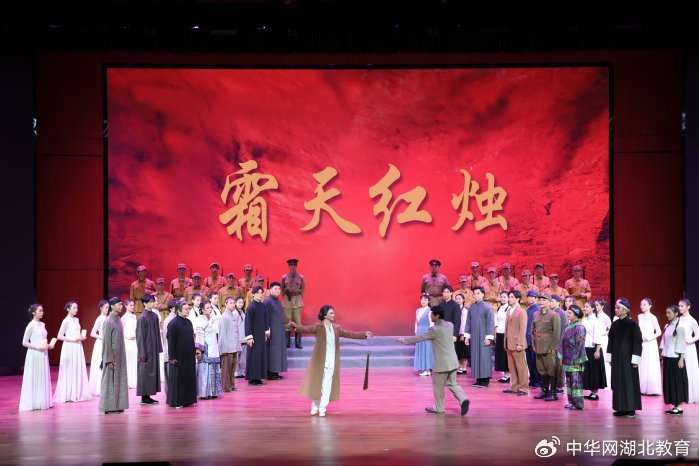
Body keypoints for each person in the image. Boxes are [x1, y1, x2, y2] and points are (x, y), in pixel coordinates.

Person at [292, 305, 373, 416]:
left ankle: (322, 408)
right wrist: (295, 326)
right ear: (325, 315)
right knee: (318, 386)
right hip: (320, 362)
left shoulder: (336, 328)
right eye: (331, 313)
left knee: (327, 386)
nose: (333, 315)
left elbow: (350, 334)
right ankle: (315, 406)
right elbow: (306, 329)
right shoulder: (318, 327)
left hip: (331, 362)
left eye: (333, 313)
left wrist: (364, 334)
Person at [399, 305, 469, 416]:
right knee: (452, 383)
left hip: (442, 363)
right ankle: (463, 399)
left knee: (438, 386)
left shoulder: (434, 330)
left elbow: (419, 338)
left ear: (437, 316)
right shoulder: (450, 325)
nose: (430, 316)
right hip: (453, 361)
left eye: (431, 314)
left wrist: (404, 340)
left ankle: (439, 408)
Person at [606, 297, 643, 417]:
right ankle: (620, 407)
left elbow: (637, 342)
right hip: (617, 358)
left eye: (618, 308)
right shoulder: (614, 324)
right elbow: (610, 341)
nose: (615, 309)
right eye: (615, 307)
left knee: (628, 382)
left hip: (628, 359)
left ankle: (631, 408)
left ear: (625, 310)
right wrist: (610, 356)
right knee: (618, 382)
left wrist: (635, 359)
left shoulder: (632, 324)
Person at [54, 301, 92, 402]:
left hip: (77, 346)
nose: (76, 309)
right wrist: (72, 339)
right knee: (70, 368)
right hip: (69, 346)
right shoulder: (66, 321)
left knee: (77, 368)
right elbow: (59, 336)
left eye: (77, 308)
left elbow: (76, 333)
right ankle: (69, 393)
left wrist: (81, 337)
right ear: (68, 309)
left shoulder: (76, 319)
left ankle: (78, 392)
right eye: (74, 308)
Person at [19, 304, 55, 411]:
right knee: (35, 376)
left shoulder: (42, 324)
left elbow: (42, 339)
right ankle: (34, 402)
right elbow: (24, 342)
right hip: (34, 353)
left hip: (43, 353)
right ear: (33, 312)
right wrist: (37, 347)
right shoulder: (31, 325)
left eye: (42, 310)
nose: (42, 312)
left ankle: (42, 401)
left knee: (42, 376)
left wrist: (48, 345)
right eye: (40, 310)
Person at [99, 297, 129, 414]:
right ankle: (108, 407)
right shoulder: (108, 321)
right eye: (119, 304)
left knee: (120, 380)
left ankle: (118, 405)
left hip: (120, 356)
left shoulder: (118, 319)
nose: (121, 306)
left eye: (121, 304)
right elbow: (106, 342)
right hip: (111, 357)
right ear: (112, 306)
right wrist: (109, 360)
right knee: (109, 382)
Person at [166, 301, 197, 408]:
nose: (188, 311)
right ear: (179, 310)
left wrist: (194, 352)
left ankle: (188, 400)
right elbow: (171, 341)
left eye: (189, 309)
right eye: (186, 309)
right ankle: (177, 401)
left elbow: (192, 339)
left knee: (189, 377)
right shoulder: (173, 324)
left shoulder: (189, 322)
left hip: (189, 355)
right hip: (178, 356)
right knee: (178, 378)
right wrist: (172, 357)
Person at [531, 294, 561, 401]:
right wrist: (534, 344)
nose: (541, 302)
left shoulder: (554, 315)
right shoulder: (535, 314)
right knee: (541, 370)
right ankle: (544, 391)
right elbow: (532, 331)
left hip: (549, 348)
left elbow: (557, 333)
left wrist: (554, 347)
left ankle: (553, 393)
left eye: (543, 300)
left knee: (551, 369)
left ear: (549, 302)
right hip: (539, 346)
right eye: (539, 300)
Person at [660, 305, 688, 414]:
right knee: (670, 382)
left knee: (677, 382)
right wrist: (662, 356)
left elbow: (681, 343)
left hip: (675, 358)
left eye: (669, 313)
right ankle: (674, 405)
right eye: (666, 312)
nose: (667, 315)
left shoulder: (680, 327)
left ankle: (679, 407)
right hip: (667, 357)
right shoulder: (667, 326)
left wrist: (681, 358)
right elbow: (664, 342)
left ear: (676, 314)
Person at [464, 287, 494, 388]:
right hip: (474, 336)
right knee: (475, 356)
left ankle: (485, 380)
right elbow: (468, 322)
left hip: (483, 336)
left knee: (484, 357)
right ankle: (478, 379)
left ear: (483, 294)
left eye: (478, 293)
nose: (475, 295)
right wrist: (467, 336)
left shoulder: (487, 307)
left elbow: (490, 323)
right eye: (474, 293)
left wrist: (488, 337)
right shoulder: (472, 307)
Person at [560, 304, 587, 410]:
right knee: (569, 382)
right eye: (567, 312)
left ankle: (578, 403)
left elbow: (580, 345)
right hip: (567, 358)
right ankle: (571, 402)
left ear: (576, 315)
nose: (567, 314)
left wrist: (578, 360)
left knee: (576, 382)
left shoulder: (579, 327)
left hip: (575, 359)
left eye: (570, 313)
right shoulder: (568, 326)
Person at [136, 294, 162, 405]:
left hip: (154, 348)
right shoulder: (142, 318)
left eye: (153, 301)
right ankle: (144, 397)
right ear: (144, 303)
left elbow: (157, 333)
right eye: (150, 302)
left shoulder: (155, 316)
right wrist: (142, 353)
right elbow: (140, 337)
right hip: (146, 349)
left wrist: (159, 347)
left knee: (152, 372)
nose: (152, 303)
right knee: (145, 372)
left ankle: (149, 396)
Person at [195, 301, 223, 399]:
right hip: (206, 348)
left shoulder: (212, 319)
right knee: (205, 370)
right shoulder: (200, 320)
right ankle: (204, 393)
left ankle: (213, 392)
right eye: (207, 308)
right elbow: (199, 336)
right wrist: (198, 350)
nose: (210, 309)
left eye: (211, 307)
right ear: (202, 310)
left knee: (214, 369)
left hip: (214, 347)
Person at [503, 291, 529, 396]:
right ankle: (514, 387)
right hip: (509, 342)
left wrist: (520, 343)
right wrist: (505, 341)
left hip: (517, 343)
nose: (509, 299)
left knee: (521, 367)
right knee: (512, 367)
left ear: (517, 299)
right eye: (509, 297)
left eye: (512, 297)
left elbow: (523, 329)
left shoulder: (521, 311)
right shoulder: (509, 310)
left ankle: (523, 388)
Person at [581, 301, 607, 400]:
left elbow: (598, 336)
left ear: (593, 308)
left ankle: (595, 393)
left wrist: (597, 350)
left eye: (587, 306)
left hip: (593, 348)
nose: (585, 308)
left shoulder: (596, 321)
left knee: (594, 370)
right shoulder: (584, 320)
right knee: (588, 371)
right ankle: (591, 392)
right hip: (585, 347)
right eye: (584, 306)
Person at [219, 296, 245, 392]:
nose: (233, 305)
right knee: (226, 368)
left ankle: (232, 385)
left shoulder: (233, 315)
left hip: (234, 346)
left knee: (232, 368)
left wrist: (238, 346)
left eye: (234, 303)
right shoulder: (223, 317)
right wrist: (223, 349)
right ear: (225, 304)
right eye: (230, 303)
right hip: (227, 347)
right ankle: (226, 387)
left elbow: (236, 332)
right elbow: (222, 334)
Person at [637, 298, 662, 395]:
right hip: (642, 342)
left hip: (650, 343)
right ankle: (642, 388)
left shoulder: (653, 317)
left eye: (644, 304)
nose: (642, 306)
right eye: (641, 304)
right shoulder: (639, 316)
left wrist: (649, 338)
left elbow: (659, 332)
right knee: (642, 364)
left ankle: (652, 388)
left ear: (650, 306)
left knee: (650, 364)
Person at [245, 286, 269, 386]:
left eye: (261, 293)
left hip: (261, 336)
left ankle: (258, 377)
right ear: (253, 294)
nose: (259, 295)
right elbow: (248, 323)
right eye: (257, 293)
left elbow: (266, 320)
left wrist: (266, 332)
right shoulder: (251, 307)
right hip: (254, 336)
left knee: (260, 356)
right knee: (254, 356)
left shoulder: (263, 306)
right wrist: (249, 337)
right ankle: (253, 379)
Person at [677, 298, 699, 403]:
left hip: (689, 348)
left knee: (689, 370)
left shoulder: (692, 320)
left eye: (682, 306)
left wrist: (690, 340)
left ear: (688, 307)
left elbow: (698, 335)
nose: (679, 308)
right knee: (680, 371)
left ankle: (689, 395)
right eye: (679, 306)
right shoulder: (678, 319)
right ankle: (681, 395)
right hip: (679, 347)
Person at [266, 281, 288, 380]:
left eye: (279, 289)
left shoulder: (277, 301)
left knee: (278, 351)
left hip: (279, 330)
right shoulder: (268, 301)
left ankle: (275, 372)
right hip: (272, 331)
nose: (277, 291)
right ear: (270, 290)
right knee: (272, 351)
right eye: (275, 289)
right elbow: (265, 317)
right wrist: (267, 330)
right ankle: (270, 373)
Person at [282, 258, 306, 349]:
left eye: (294, 265)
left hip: (297, 300)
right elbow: (282, 289)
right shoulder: (284, 277)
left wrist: (298, 296)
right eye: (291, 265)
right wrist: (286, 296)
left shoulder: (301, 277)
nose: (293, 267)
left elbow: (302, 290)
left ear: (296, 266)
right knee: (287, 321)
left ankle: (298, 343)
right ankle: (286, 342)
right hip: (287, 301)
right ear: (289, 266)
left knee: (298, 322)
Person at [88, 300, 109, 397]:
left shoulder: (108, 318)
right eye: (106, 307)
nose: (107, 309)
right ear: (101, 308)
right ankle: (100, 388)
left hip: (107, 343)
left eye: (108, 307)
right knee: (101, 364)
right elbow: (92, 333)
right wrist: (102, 337)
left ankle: (106, 387)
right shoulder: (99, 319)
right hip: (101, 344)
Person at [550, 295, 569, 394]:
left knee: (559, 365)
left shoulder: (561, 313)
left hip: (559, 343)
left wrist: (560, 344)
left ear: (558, 302)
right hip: (551, 343)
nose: (550, 303)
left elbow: (564, 330)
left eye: (552, 301)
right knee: (552, 365)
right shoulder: (550, 312)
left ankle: (560, 386)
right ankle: (553, 385)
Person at [524, 290, 542, 388]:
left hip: (534, 339)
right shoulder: (528, 309)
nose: (530, 298)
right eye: (529, 297)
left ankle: (538, 381)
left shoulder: (537, 309)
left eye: (532, 297)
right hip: (527, 338)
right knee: (530, 361)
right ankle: (532, 379)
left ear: (536, 298)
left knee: (535, 362)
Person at [413, 293, 434, 376]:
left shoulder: (430, 310)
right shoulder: (418, 310)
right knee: (421, 349)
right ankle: (423, 367)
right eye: (422, 300)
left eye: (425, 300)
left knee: (427, 349)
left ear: (428, 301)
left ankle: (428, 369)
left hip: (426, 331)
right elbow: (416, 322)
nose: (423, 301)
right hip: (419, 331)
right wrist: (416, 332)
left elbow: (432, 323)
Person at [162, 299, 178, 395]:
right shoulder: (168, 320)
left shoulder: (178, 319)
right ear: (171, 309)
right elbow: (167, 339)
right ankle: (170, 395)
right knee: (170, 375)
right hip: (170, 352)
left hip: (176, 352)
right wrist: (170, 354)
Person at [594, 298, 613, 384]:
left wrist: (605, 333)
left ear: (602, 306)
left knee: (603, 359)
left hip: (602, 339)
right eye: (595, 305)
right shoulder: (593, 316)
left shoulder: (605, 317)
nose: (596, 306)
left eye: (597, 305)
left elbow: (611, 328)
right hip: (594, 339)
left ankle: (606, 380)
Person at [121, 299, 138, 389]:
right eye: (130, 305)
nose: (132, 306)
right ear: (126, 306)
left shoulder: (134, 316)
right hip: (127, 342)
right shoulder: (124, 317)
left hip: (135, 342)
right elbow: (120, 330)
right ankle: (128, 382)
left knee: (135, 361)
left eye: (133, 305)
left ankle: (135, 381)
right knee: (128, 362)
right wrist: (127, 336)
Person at [494, 291, 510, 383]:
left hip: (506, 333)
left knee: (505, 354)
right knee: (500, 354)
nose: (503, 299)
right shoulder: (499, 308)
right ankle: (504, 373)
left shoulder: (510, 308)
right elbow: (496, 321)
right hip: (499, 333)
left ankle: (508, 374)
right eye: (502, 297)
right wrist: (495, 333)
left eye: (505, 297)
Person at [454, 292, 469, 374]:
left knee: (464, 351)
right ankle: (460, 367)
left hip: (462, 333)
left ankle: (464, 367)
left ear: (463, 300)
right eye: (456, 299)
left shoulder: (465, 310)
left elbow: (464, 323)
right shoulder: (455, 309)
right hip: (456, 333)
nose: (458, 300)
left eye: (459, 299)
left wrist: (463, 334)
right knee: (458, 351)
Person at [233, 297, 248, 378]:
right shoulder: (235, 313)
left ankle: (242, 371)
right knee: (237, 356)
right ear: (235, 303)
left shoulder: (243, 312)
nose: (241, 304)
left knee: (243, 357)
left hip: (244, 337)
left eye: (242, 302)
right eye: (239, 302)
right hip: (238, 338)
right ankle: (236, 371)